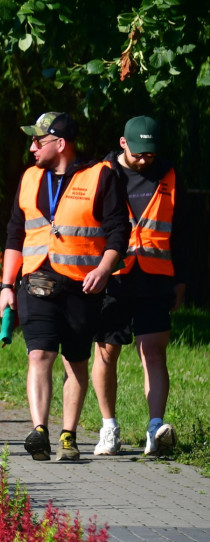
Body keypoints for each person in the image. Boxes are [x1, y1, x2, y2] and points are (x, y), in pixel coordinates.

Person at [0, 112, 130, 462]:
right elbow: (15, 233)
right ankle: (39, 430)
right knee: (39, 354)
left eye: (37, 141)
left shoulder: (102, 175)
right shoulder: (29, 178)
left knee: (76, 361)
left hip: (82, 286)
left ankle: (68, 436)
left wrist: (104, 269)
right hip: (35, 281)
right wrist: (6, 286)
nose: (32, 147)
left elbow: (119, 230)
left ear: (60, 143)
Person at [91, 116, 186, 457]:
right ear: (122, 143)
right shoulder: (101, 173)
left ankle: (154, 429)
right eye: (139, 154)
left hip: (155, 277)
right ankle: (109, 428)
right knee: (106, 352)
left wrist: (180, 279)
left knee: (153, 352)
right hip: (113, 277)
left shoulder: (169, 174)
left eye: (151, 154)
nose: (146, 160)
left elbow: (183, 230)